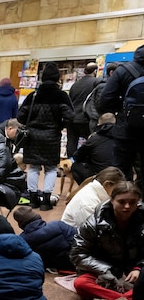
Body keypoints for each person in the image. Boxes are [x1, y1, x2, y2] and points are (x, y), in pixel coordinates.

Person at [70, 181, 144, 300]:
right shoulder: (93, 223)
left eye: (132, 202)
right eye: (121, 202)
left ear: (138, 202)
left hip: (133, 270)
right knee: (80, 284)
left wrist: (139, 268)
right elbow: (77, 254)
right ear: (112, 201)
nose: (127, 206)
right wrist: (108, 269)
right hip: (103, 271)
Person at [17, 62, 74, 211]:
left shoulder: (33, 95)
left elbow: (21, 117)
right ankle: (46, 201)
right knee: (50, 169)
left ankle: (33, 199)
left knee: (33, 168)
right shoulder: (61, 96)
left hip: (33, 136)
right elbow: (70, 116)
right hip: (52, 136)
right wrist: (59, 125)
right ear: (57, 78)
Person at [99, 46, 144, 189]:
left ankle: (122, 204)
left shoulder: (123, 70)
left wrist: (122, 109)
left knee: (120, 172)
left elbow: (104, 100)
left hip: (126, 130)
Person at [13, 206, 76, 272]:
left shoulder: (23, 240)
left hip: (55, 266)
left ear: (20, 224)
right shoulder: (57, 225)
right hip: (75, 261)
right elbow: (78, 237)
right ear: (37, 216)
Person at [71, 113, 116, 184]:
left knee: (76, 166)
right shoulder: (123, 137)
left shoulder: (94, 139)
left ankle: (87, 188)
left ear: (98, 125)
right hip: (119, 176)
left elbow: (77, 156)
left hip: (98, 177)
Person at [66, 62, 100, 157]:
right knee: (90, 141)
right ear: (95, 71)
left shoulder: (75, 84)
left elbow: (70, 100)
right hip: (86, 118)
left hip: (73, 118)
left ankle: (71, 163)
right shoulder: (95, 83)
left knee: (72, 141)